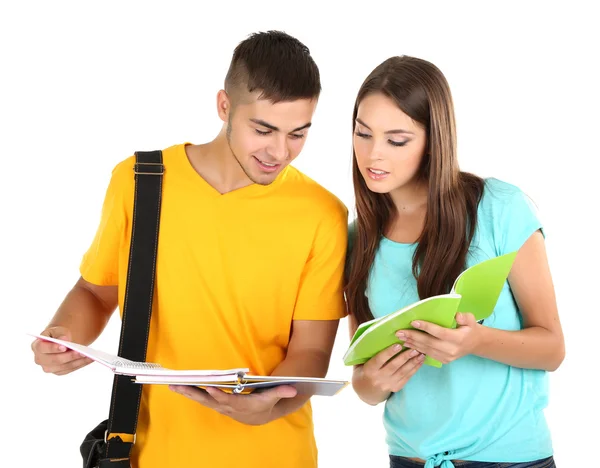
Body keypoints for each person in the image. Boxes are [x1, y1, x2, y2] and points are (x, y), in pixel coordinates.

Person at [31, 31, 348, 468]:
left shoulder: (322, 213)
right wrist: (64, 336)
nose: (280, 151)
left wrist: (270, 406)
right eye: (263, 129)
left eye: (298, 133)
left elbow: (312, 350)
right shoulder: (141, 182)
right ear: (224, 106)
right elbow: (96, 292)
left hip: (275, 455)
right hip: (151, 453)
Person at [344, 55, 564, 468]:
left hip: (510, 460)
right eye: (363, 133)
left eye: (397, 140)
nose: (374, 155)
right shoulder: (358, 239)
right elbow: (365, 384)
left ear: (434, 140)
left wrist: (477, 341)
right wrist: (370, 382)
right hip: (409, 458)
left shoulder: (499, 208)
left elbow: (552, 348)